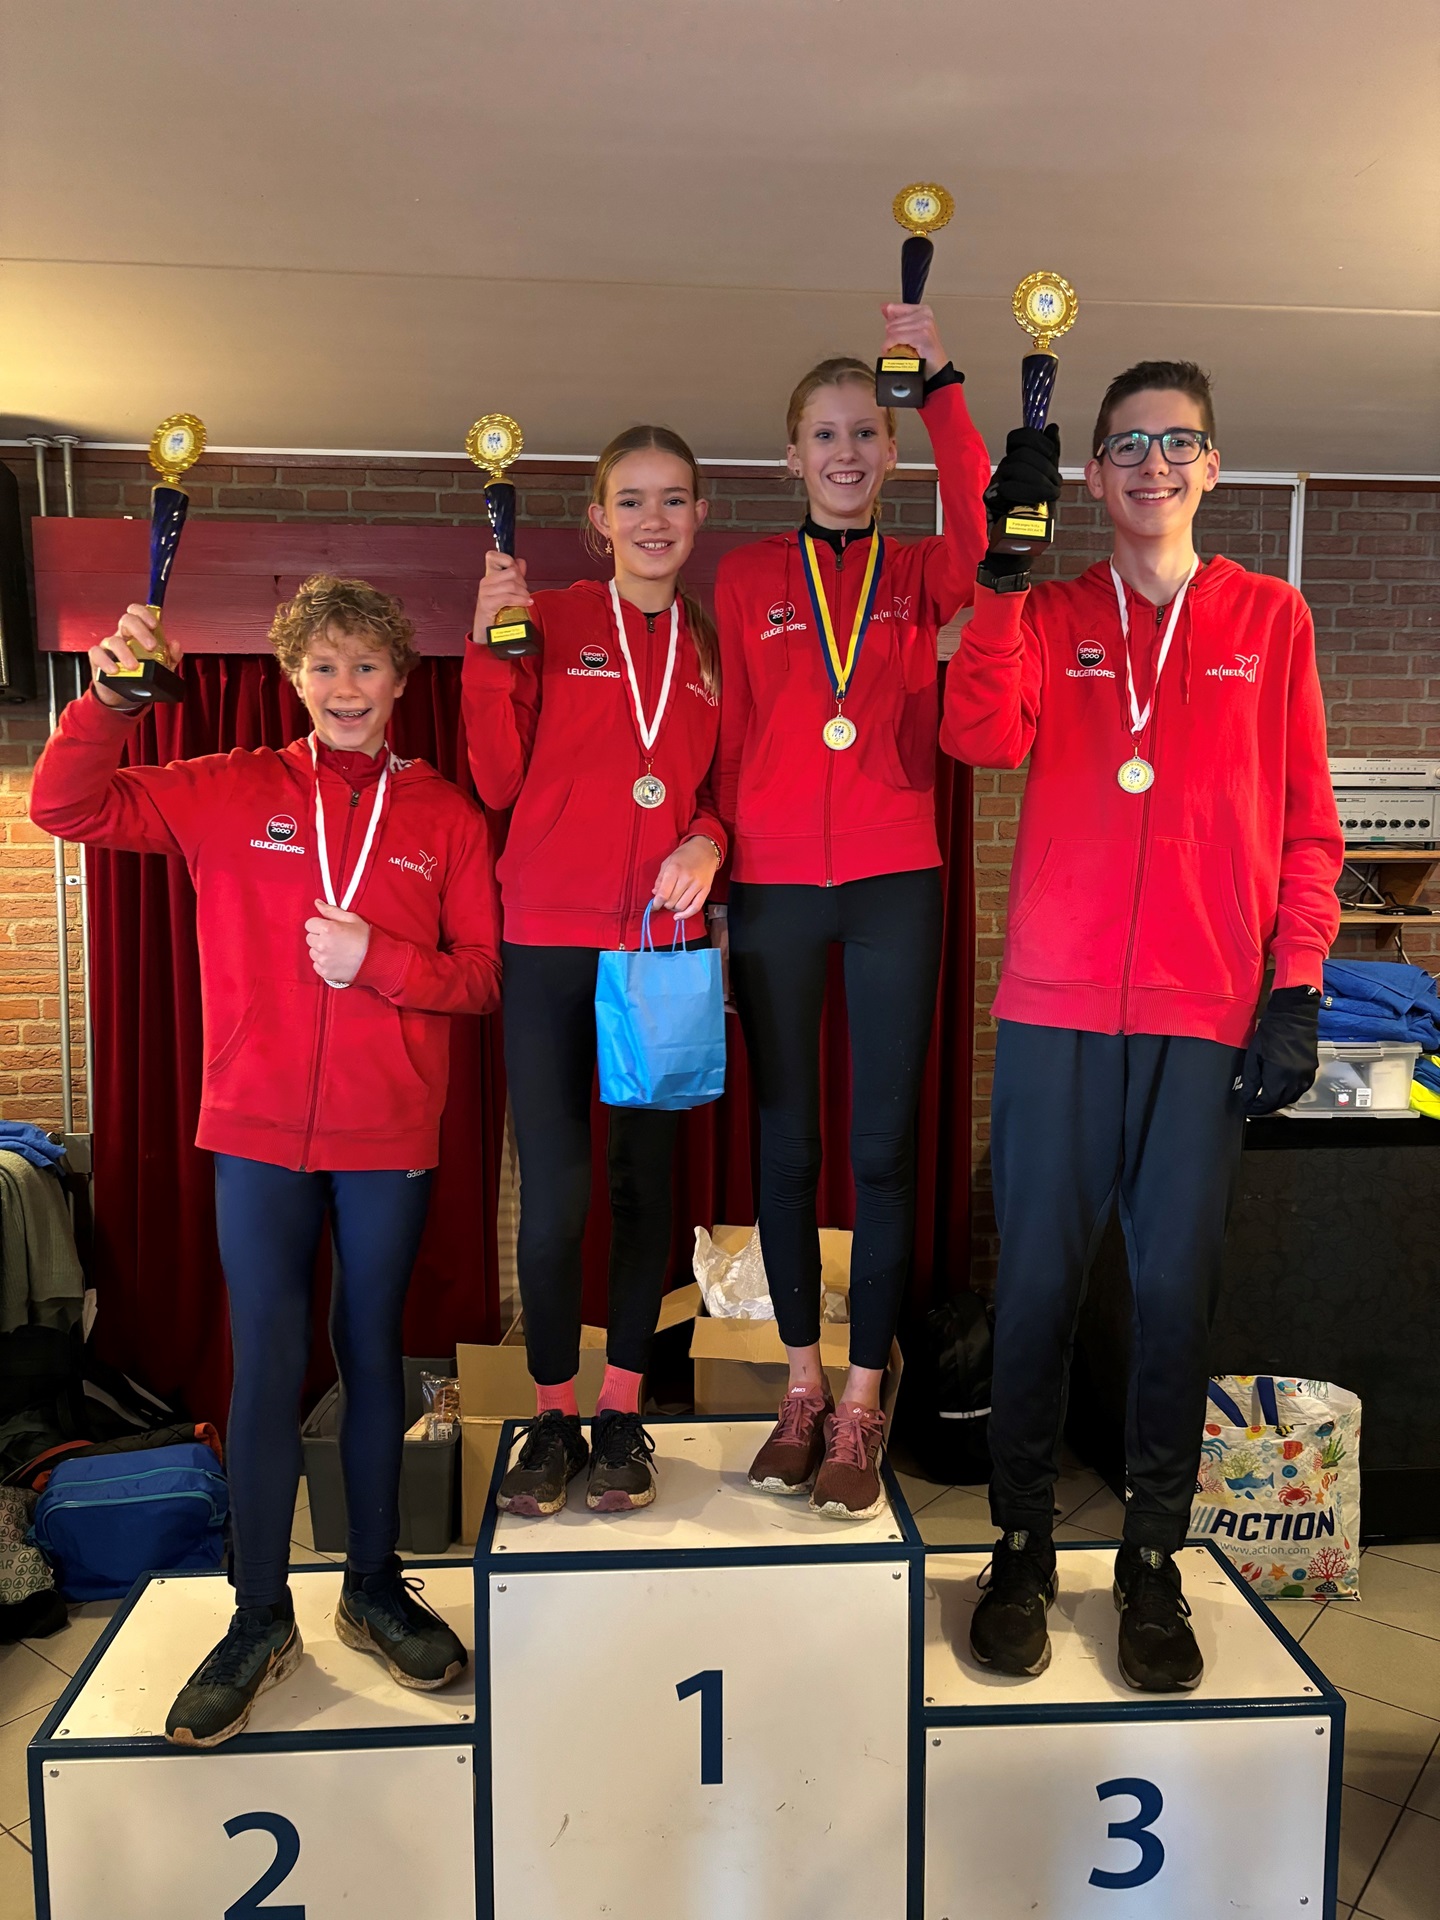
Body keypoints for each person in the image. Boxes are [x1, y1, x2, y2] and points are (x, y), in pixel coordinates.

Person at [29, 575, 501, 1745]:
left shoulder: (444, 814)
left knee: (372, 1356)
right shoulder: (227, 787)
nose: (346, 687)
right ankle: (257, 1614)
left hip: (388, 1134)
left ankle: (373, 1588)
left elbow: (484, 977)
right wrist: (111, 701)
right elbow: (65, 805)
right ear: (293, 677)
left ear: (401, 681)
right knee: (266, 1364)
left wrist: (380, 960)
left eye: (367, 665)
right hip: (254, 1131)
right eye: (323, 665)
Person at [941, 362, 1343, 1689]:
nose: (1153, 464)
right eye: (1126, 446)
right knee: (1035, 1296)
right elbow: (980, 735)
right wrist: (1001, 583)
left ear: (1212, 466)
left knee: (1172, 1301)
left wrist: (1296, 985)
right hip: (1056, 1012)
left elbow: (1308, 826)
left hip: (1205, 1016)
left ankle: (1152, 1558)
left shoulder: (1270, 617)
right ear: (1094, 474)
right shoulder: (1055, 612)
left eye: (1178, 443)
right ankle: (1019, 1545)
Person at [714, 302, 990, 1520]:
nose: (845, 452)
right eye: (824, 434)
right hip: (774, 882)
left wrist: (943, 388)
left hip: (892, 880)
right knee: (787, 1146)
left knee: (880, 1149)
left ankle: (865, 1400)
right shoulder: (745, 577)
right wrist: (724, 872)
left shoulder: (920, 572)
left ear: (890, 450)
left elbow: (982, 524)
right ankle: (800, 1386)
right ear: (791, 455)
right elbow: (732, 737)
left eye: (867, 432)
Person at [464, 425, 725, 1519]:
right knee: (557, 1192)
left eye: (673, 499)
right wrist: (490, 645)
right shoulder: (553, 617)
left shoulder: (713, 646)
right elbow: (494, 776)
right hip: (550, 942)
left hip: (659, 944)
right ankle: (552, 1415)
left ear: (699, 515)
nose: (653, 519)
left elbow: (724, 790)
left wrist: (707, 839)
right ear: (598, 521)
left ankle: (621, 1410)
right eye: (631, 500)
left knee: (642, 1185)